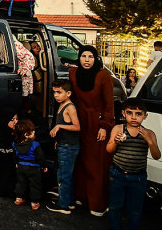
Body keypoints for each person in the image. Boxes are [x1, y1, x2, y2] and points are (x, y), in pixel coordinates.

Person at [69, 45, 115, 216]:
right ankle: (82, 197)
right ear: (79, 58)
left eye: (90, 56)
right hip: (79, 122)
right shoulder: (73, 73)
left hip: (97, 124)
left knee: (96, 164)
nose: (86, 60)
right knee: (80, 160)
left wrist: (105, 126)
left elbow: (110, 106)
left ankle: (97, 204)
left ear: (96, 59)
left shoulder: (104, 75)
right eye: (83, 56)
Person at [106, 99, 160, 230]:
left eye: (138, 114)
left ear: (145, 116)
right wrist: (115, 141)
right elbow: (109, 150)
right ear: (124, 113)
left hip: (138, 177)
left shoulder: (149, 133)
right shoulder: (118, 129)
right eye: (130, 113)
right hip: (117, 174)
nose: (134, 117)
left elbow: (156, 155)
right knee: (115, 207)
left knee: (135, 210)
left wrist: (150, 142)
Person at [46, 79, 80, 215]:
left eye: (59, 92)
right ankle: (69, 201)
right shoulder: (61, 105)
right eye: (54, 92)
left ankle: (63, 205)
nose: (56, 95)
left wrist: (59, 126)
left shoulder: (70, 107)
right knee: (66, 174)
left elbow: (77, 127)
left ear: (69, 93)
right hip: (63, 144)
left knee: (63, 175)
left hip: (68, 147)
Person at [12, 119, 47, 211]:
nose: (34, 133)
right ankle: (34, 203)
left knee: (20, 183)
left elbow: (14, 155)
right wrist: (44, 166)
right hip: (33, 168)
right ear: (27, 134)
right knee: (35, 185)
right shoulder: (35, 145)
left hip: (21, 166)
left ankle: (18, 198)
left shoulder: (15, 144)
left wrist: (16, 163)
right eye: (33, 131)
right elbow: (40, 157)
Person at [13, 37, 36, 111]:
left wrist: (25, 69)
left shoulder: (16, 45)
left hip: (22, 76)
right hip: (17, 76)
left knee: (23, 99)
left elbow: (29, 57)